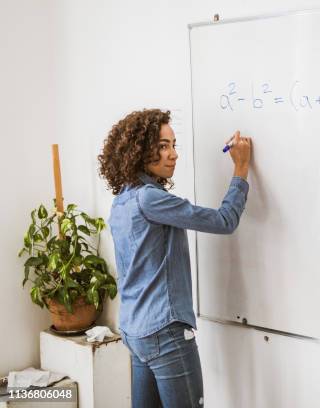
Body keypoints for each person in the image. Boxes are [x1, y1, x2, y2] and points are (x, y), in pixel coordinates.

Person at [98, 108, 252, 408]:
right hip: (164, 332)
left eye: (173, 145)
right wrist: (241, 169)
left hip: (135, 331)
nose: (173, 155)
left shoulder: (123, 200)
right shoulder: (150, 198)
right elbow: (224, 221)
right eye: (163, 146)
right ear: (139, 151)